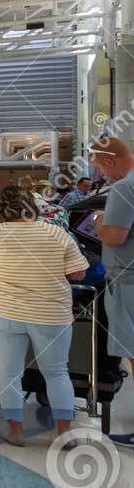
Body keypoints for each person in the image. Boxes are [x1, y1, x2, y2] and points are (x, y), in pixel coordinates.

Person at [0, 185, 89, 448]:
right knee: (56, 372)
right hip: (51, 313)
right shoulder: (55, 233)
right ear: (33, 207)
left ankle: (16, 431)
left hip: (5, 312)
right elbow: (79, 274)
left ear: (0, 210)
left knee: (9, 372)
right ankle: (64, 433)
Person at [88, 136, 134, 447]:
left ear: (112, 160)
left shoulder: (123, 187)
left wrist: (99, 221)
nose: (102, 174)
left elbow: (115, 236)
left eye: (101, 167)